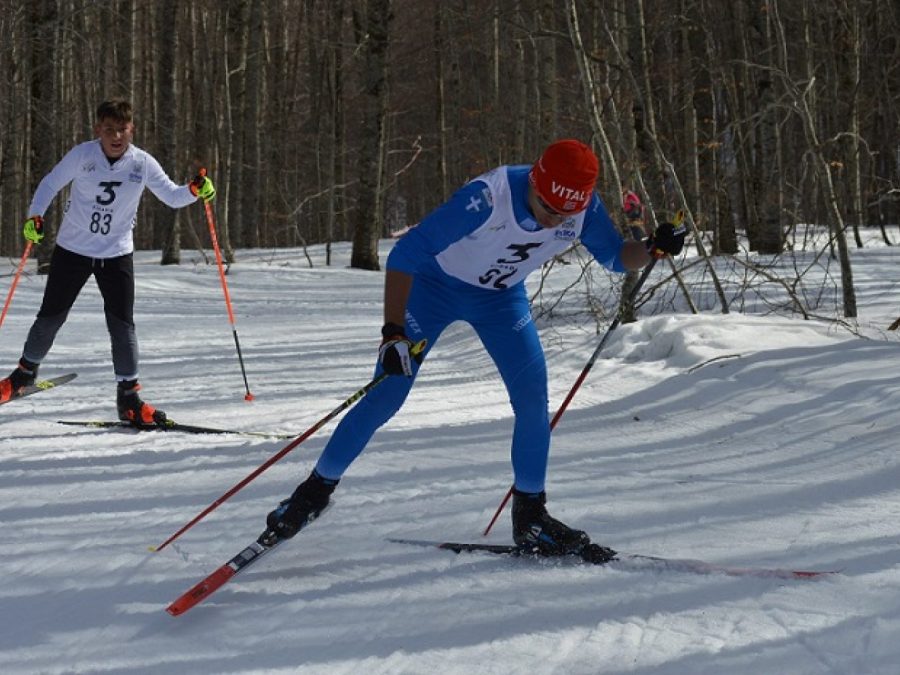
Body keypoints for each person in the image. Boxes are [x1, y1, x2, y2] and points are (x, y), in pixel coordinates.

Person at [260, 139, 685, 557]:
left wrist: (650, 249)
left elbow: (614, 257)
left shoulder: (583, 207)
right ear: (535, 185)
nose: (557, 222)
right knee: (387, 393)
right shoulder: (487, 199)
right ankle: (312, 494)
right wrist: (392, 333)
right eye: (549, 210)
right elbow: (406, 253)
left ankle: (531, 516)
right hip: (433, 289)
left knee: (533, 397)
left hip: (500, 299)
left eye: (568, 213)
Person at [0, 98, 216, 425]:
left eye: (123, 130)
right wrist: (35, 217)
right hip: (73, 250)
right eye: (110, 130)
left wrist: (195, 190)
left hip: (116, 254)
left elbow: (172, 196)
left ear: (132, 130)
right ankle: (23, 375)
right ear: (98, 130)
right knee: (50, 317)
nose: (116, 137)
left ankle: (128, 397)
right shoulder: (83, 155)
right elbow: (49, 184)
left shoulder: (141, 163)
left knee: (122, 326)